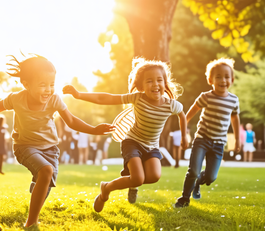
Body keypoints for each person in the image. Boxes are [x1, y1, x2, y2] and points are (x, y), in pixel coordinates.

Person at [0, 55, 114, 227]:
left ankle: (36, 189)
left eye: (52, 85)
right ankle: (31, 223)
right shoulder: (17, 98)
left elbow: (71, 121)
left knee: (45, 184)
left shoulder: (54, 100)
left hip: (50, 149)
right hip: (24, 147)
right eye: (42, 85)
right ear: (26, 84)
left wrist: (94, 130)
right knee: (46, 172)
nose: (48, 90)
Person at [64, 57, 187, 210]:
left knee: (153, 177)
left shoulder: (171, 105)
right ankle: (106, 188)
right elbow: (105, 98)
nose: (155, 84)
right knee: (137, 178)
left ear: (165, 83)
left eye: (159, 80)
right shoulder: (137, 98)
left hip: (152, 146)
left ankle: (133, 183)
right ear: (141, 86)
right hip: (132, 142)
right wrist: (79, 94)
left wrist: (184, 137)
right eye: (149, 81)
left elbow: (182, 115)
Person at [175, 58, 240, 208]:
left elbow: (235, 118)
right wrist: (184, 133)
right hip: (202, 140)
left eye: (226, 77)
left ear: (232, 79)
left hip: (219, 144)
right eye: (218, 77)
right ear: (210, 80)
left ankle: (198, 183)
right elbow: (188, 115)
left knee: (211, 177)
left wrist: (237, 139)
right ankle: (184, 199)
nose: (222, 80)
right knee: (193, 170)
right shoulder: (206, 97)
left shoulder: (233, 100)